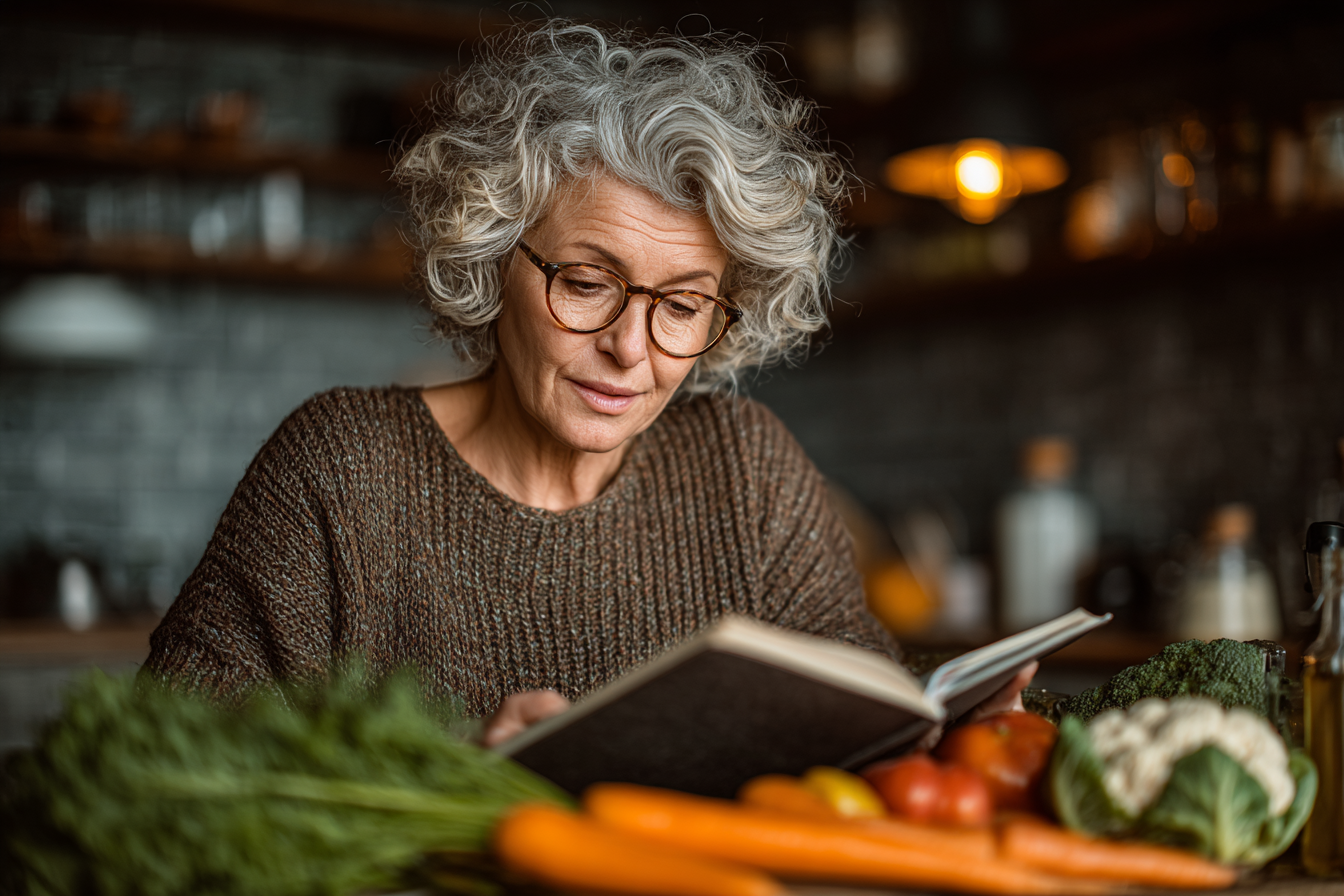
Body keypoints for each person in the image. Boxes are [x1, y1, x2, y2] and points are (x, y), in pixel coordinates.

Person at [143, 20, 1034, 746]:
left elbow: (866, 727)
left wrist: (948, 738)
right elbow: (162, 758)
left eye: (683, 304)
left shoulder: (748, 471)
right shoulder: (340, 468)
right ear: (495, 260)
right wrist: (455, 770)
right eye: (586, 283)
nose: (631, 350)